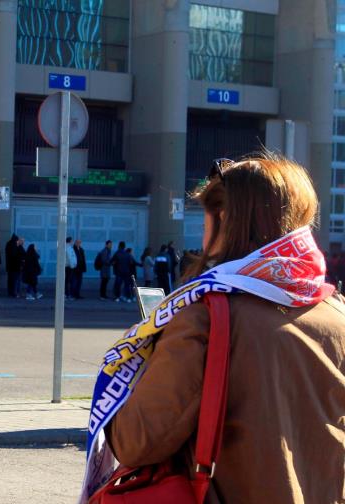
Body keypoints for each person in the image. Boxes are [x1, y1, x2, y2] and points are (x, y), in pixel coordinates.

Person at [105, 153, 345, 503]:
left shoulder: (208, 316)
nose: (200, 230)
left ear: (225, 219)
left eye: (203, 216)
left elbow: (136, 441)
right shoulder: (335, 311)